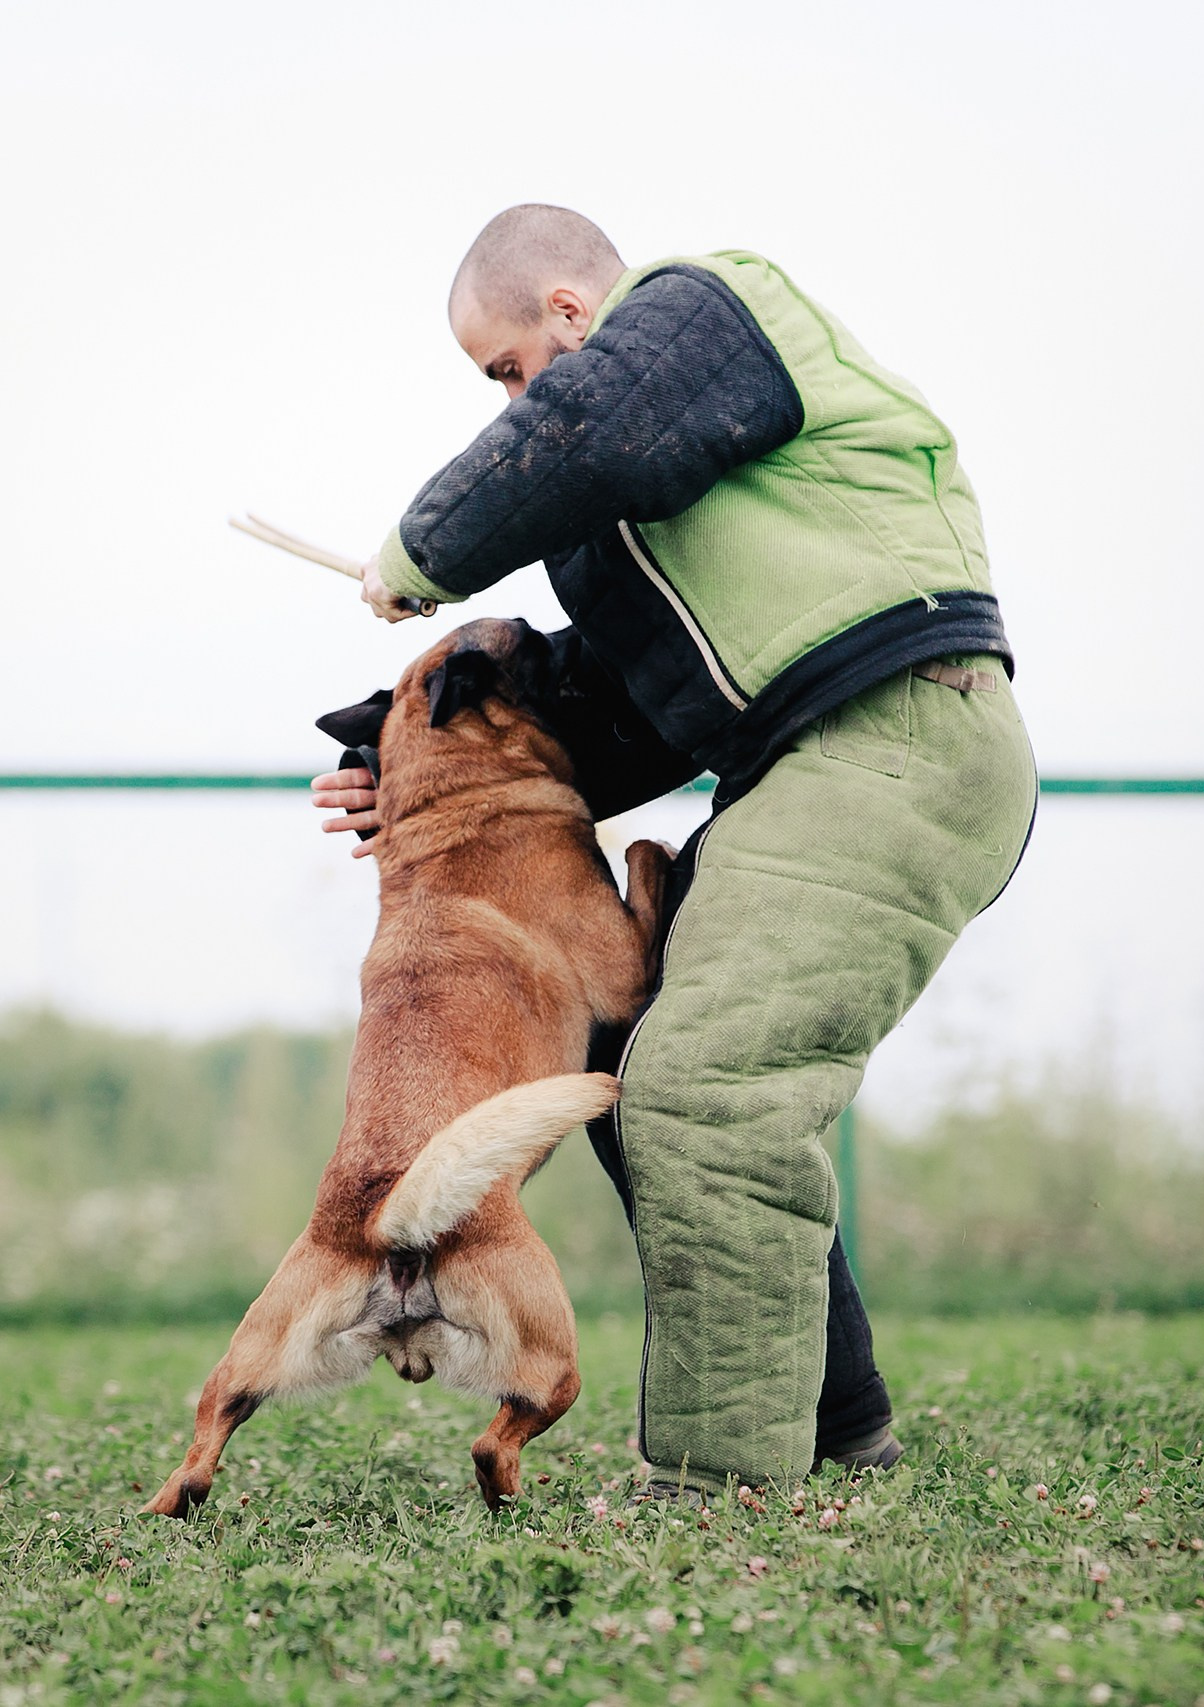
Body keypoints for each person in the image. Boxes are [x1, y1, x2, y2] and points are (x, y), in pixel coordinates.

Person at [309, 204, 1036, 1492]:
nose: (515, 401)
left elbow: (589, 429)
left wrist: (422, 554)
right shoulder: (631, 528)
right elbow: (604, 714)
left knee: (709, 1092)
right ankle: (834, 1420)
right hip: (807, 764)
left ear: (572, 313)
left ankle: (715, 1490)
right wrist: (413, 778)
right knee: (637, 1051)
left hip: (904, 730)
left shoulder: (715, 308)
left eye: (507, 370)